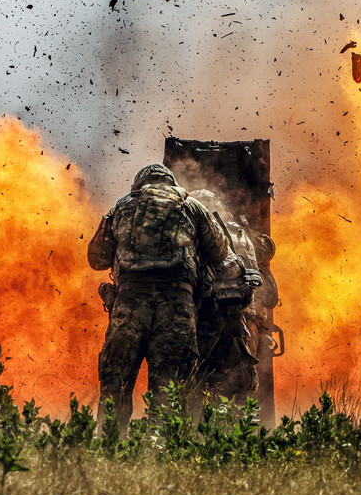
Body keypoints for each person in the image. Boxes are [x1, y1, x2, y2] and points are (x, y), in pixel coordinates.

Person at [87, 163, 239, 433]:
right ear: (171, 183)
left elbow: (96, 258)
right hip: (177, 306)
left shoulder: (121, 206)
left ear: (138, 186)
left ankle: (110, 446)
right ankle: (165, 454)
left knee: (116, 381)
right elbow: (219, 252)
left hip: (129, 304)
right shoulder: (192, 206)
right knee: (171, 389)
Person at [189, 190, 266, 402]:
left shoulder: (203, 233)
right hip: (240, 319)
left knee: (197, 382)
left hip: (208, 317)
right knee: (241, 386)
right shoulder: (240, 233)